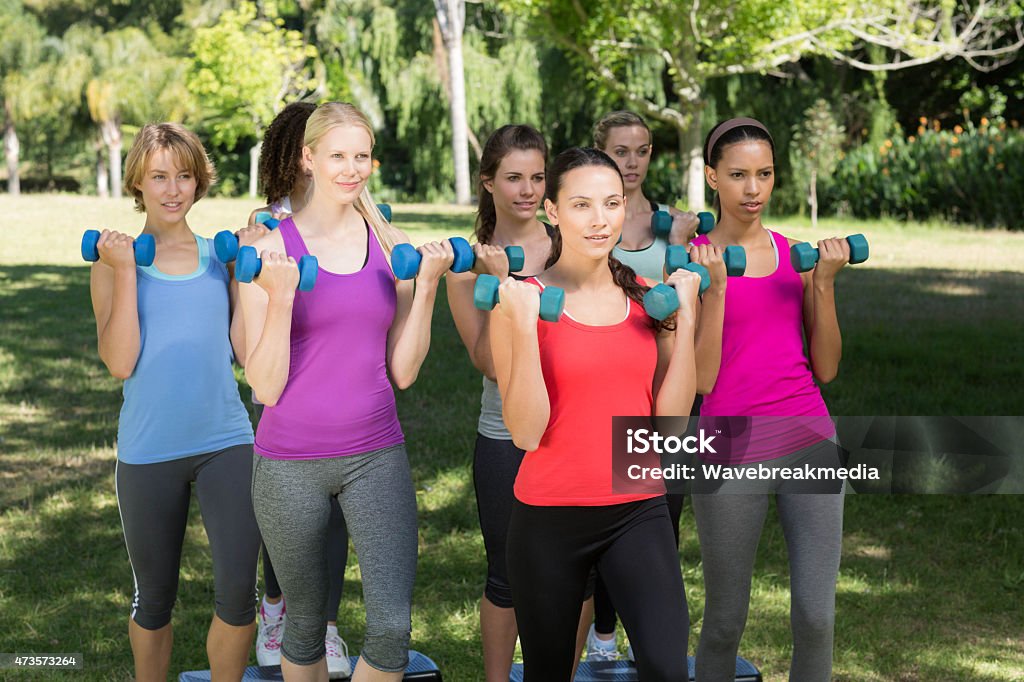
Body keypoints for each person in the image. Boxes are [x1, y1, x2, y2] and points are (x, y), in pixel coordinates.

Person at [239, 101, 451, 682]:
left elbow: (403, 371)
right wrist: (280, 295)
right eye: (337, 155)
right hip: (288, 462)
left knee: (390, 626)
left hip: (376, 453)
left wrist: (426, 289)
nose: (351, 168)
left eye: (362, 156)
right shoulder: (265, 250)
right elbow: (264, 384)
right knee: (304, 622)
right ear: (308, 158)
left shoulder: (390, 243)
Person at [491, 146, 702, 681]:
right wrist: (520, 326)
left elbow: (671, 423)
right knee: (548, 673)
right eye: (582, 205)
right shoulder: (520, 301)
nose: (600, 218)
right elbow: (525, 431)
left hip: (637, 508)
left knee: (667, 668)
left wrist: (690, 318)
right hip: (549, 515)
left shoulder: (649, 301)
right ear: (553, 211)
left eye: (612, 203)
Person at [90, 122, 260, 681]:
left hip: (226, 441)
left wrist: (249, 267)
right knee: (154, 597)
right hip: (149, 448)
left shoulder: (220, 257)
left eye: (184, 176)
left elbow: (244, 353)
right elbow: (120, 362)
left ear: (199, 182)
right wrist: (122, 269)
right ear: (137, 181)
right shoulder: (115, 263)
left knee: (239, 590)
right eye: (159, 176)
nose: (171, 189)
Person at [688, 117, 848, 682]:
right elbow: (701, 381)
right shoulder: (694, 263)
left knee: (815, 615)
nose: (752, 189)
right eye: (737, 175)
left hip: (808, 435)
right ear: (712, 177)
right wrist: (719, 292)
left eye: (764, 174)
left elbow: (826, 367)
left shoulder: (794, 257)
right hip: (727, 442)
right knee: (726, 621)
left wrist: (823, 282)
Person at [446, 124, 593, 681]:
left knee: (581, 576)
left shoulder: (572, 244)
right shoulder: (466, 264)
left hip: (577, 429)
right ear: (488, 183)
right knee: (508, 576)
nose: (527, 190)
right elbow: (487, 362)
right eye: (513, 178)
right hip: (505, 435)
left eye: (537, 177)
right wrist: (497, 286)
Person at [587, 109, 701, 660]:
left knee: (660, 519)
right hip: (612, 389)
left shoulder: (670, 224)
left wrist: (678, 243)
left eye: (642, 151)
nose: (631, 163)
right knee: (609, 514)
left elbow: (683, 293)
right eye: (620, 151)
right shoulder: (591, 223)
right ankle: (602, 634)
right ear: (600, 151)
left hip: (668, 395)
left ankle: (645, 637)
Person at [246, 101, 353, 679]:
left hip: (348, 395)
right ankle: (276, 609)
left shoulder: (361, 217)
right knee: (289, 514)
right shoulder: (269, 226)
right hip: (285, 388)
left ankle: (327, 626)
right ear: (296, 155)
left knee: (335, 513)